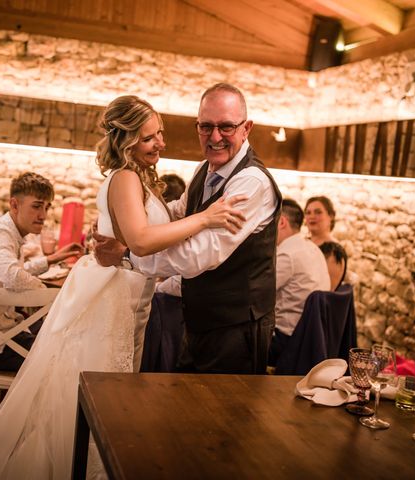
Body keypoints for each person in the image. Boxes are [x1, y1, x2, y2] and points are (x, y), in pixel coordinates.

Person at [0, 95, 245, 479]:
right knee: (106, 400)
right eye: (149, 138)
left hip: (127, 294)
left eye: (159, 134)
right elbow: (142, 240)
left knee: (110, 399)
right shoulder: (125, 177)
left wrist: (185, 212)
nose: (160, 142)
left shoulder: (137, 178)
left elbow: (146, 229)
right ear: (125, 142)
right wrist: (206, 218)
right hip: (113, 300)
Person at [95, 83, 282, 375]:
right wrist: (125, 218)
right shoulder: (203, 170)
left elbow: (198, 255)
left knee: (224, 415)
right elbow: (177, 214)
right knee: (187, 410)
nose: (215, 137)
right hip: (198, 319)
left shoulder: (251, 183)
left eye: (226, 127)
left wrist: (128, 252)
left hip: (236, 327)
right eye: (205, 127)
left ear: (247, 128)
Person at [0, 172, 83, 372]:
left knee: (61, 335)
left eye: (46, 207)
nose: (43, 215)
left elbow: (12, 271)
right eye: (37, 206)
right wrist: (56, 297)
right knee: (66, 353)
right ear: (14, 205)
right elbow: (12, 276)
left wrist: (50, 259)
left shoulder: (5, 230)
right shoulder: (0, 233)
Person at [268, 199, 330, 365]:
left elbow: (257, 294)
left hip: (285, 341)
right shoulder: (313, 248)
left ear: (281, 222)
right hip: (311, 339)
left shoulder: (287, 254)